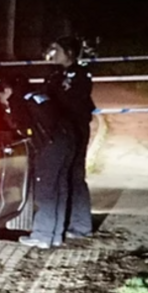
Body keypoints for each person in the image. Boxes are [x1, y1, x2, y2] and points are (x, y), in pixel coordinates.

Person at [0, 75, 77, 249]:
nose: (2, 102)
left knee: (45, 192)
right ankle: (56, 235)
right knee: (59, 189)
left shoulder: (17, 101)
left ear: (7, 91)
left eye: (1, 96)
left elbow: (21, 131)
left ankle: (42, 236)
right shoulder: (36, 95)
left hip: (50, 146)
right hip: (67, 141)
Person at [44, 36, 96, 239]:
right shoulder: (55, 74)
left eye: (57, 49)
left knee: (75, 174)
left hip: (75, 129)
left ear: (69, 53)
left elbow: (73, 102)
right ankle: (64, 221)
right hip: (61, 130)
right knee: (61, 176)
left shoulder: (80, 75)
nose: (52, 53)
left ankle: (81, 225)